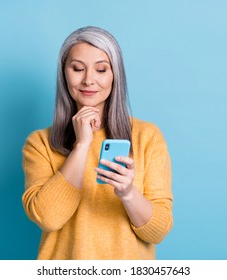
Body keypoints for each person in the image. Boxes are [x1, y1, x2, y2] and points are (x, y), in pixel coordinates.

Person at [22, 26, 173, 260]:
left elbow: (158, 231)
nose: (88, 80)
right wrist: (82, 145)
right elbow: (48, 218)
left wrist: (127, 193)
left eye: (101, 69)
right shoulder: (40, 143)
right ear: (64, 73)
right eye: (78, 69)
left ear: (115, 76)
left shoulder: (147, 137)